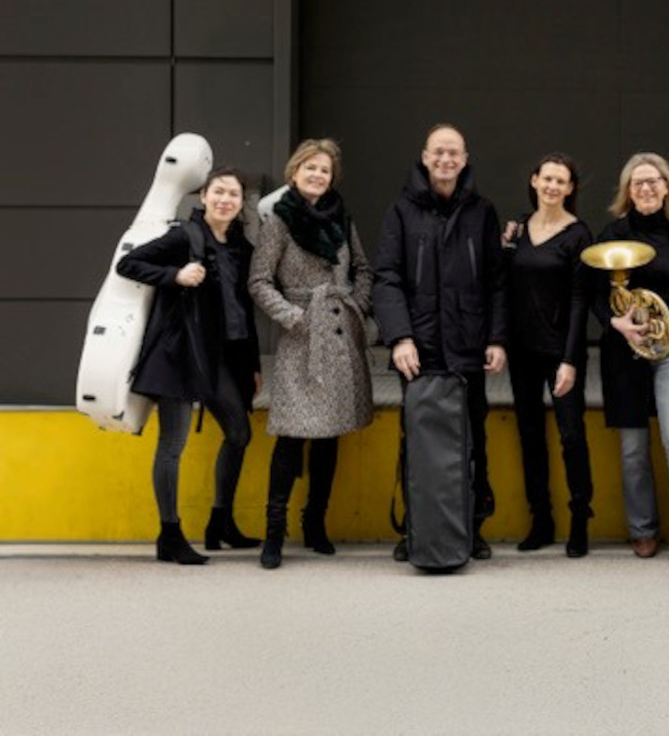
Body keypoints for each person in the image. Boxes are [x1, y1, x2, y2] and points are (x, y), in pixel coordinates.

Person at [373, 123, 507, 562]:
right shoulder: (401, 212)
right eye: (439, 152)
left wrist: (496, 338)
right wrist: (399, 337)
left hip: (468, 346)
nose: (446, 160)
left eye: (454, 153)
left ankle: (471, 528)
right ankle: (418, 528)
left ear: (465, 160)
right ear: (425, 157)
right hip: (421, 349)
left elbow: (495, 282)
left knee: (474, 440)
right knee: (418, 441)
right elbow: (387, 278)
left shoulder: (482, 212)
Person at [116, 167, 261, 565]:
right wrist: (174, 275)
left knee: (238, 433)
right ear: (204, 196)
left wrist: (251, 363)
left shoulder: (241, 247)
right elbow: (128, 265)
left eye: (233, 194)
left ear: (240, 203)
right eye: (219, 192)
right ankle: (170, 534)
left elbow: (244, 311)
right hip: (181, 353)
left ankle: (221, 523)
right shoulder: (185, 236)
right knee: (173, 445)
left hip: (223, 358)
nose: (226, 200)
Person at [248, 139, 374, 570]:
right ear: (294, 172)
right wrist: (294, 317)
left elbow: (363, 268)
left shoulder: (342, 215)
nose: (318, 175)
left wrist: (357, 304)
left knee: (330, 434)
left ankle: (315, 523)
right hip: (302, 338)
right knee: (291, 436)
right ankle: (274, 532)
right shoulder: (278, 223)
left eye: (324, 170)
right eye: (310, 168)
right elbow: (260, 281)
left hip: (339, 338)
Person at [594, 152, 669, 570]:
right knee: (632, 447)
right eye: (638, 183)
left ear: (667, 187)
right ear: (628, 192)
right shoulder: (612, 233)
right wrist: (616, 323)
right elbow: (593, 293)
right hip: (627, 346)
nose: (646, 188)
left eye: (653, 181)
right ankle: (643, 529)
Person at [503, 153, 594, 557]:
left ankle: (579, 520)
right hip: (522, 351)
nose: (553, 186)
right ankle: (541, 520)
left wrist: (571, 360)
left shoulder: (578, 235)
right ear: (534, 180)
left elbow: (580, 301)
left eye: (562, 181)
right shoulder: (517, 229)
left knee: (572, 436)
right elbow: (504, 286)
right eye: (547, 179)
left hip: (561, 352)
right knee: (529, 435)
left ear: (570, 189)